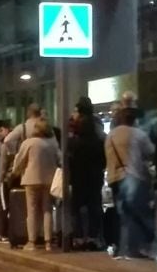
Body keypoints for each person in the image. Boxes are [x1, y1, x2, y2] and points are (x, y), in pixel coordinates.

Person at [105, 107, 155, 259]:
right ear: (135, 120)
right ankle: (135, 249)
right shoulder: (138, 133)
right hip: (133, 177)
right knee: (137, 213)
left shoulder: (110, 135)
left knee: (123, 214)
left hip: (114, 178)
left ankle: (122, 248)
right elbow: (151, 152)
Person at [13, 119, 61, 251]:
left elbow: (20, 160)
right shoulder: (52, 144)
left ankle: (32, 241)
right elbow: (60, 160)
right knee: (47, 210)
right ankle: (48, 242)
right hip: (48, 180)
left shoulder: (28, 143)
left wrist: (15, 172)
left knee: (32, 210)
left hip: (31, 179)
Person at [69, 96, 106, 250]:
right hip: (95, 175)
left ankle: (78, 238)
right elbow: (103, 157)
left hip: (78, 176)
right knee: (94, 207)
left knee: (76, 207)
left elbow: (69, 158)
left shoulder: (74, 139)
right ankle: (92, 237)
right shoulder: (98, 136)